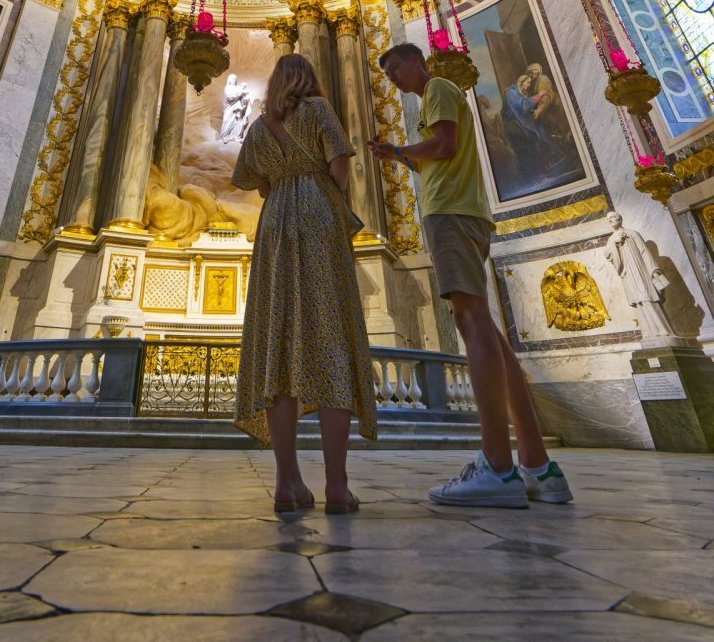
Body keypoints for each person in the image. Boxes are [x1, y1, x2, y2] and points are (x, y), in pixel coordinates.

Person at [368, 42, 572, 508]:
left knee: (470, 325)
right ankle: (539, 467)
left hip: (452, 215)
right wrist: (399, 156)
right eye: (388, 74)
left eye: (395, 68)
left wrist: (400, 147)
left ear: (416, 62)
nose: (393, 78)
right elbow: (438, 155)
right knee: (491, 336)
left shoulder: (437, 86)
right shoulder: (434, 99)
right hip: (466, 212)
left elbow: (445, 144)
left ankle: (498, 468)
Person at [231, 54, 376, 514]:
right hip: (318, 214)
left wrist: (284, 182)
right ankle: (336, 486)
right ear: (308, 79)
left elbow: (255, 184)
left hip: (274, 224)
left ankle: (287, 484)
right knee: (330, 340)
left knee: (278, 343)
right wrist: (320, 193)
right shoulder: (317, 110)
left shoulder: (257, 127)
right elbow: (340, 164)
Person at [603, 210, 676, 341]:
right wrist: (615, 243)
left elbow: (644, 252)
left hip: (640, 271)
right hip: (627, 274)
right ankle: (649, 332)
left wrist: (653, 270)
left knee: (648, 297)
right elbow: (608, 255)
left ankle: (664, 330)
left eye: (613, 217)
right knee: (638, 302)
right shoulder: (610, 240)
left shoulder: (632, 234)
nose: (611, 220)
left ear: (620, 218)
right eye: (608, 219)